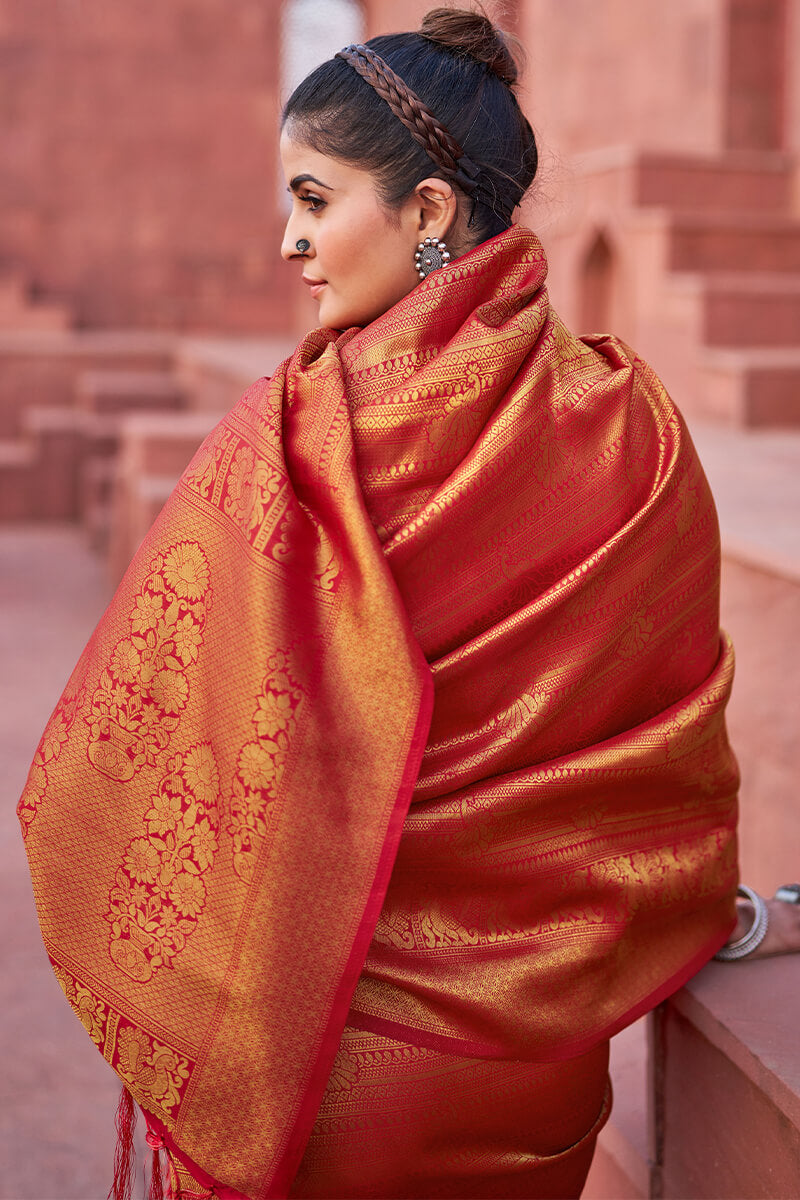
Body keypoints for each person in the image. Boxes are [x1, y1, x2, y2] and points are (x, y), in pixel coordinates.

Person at [18, 7, 800, 1199]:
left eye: (316, 201)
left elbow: (147, 744)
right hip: (525, 1060)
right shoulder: (634, 433)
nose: (290, 241)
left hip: (308, 1059)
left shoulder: (296, 441)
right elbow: (661, 768)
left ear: (429, 212)